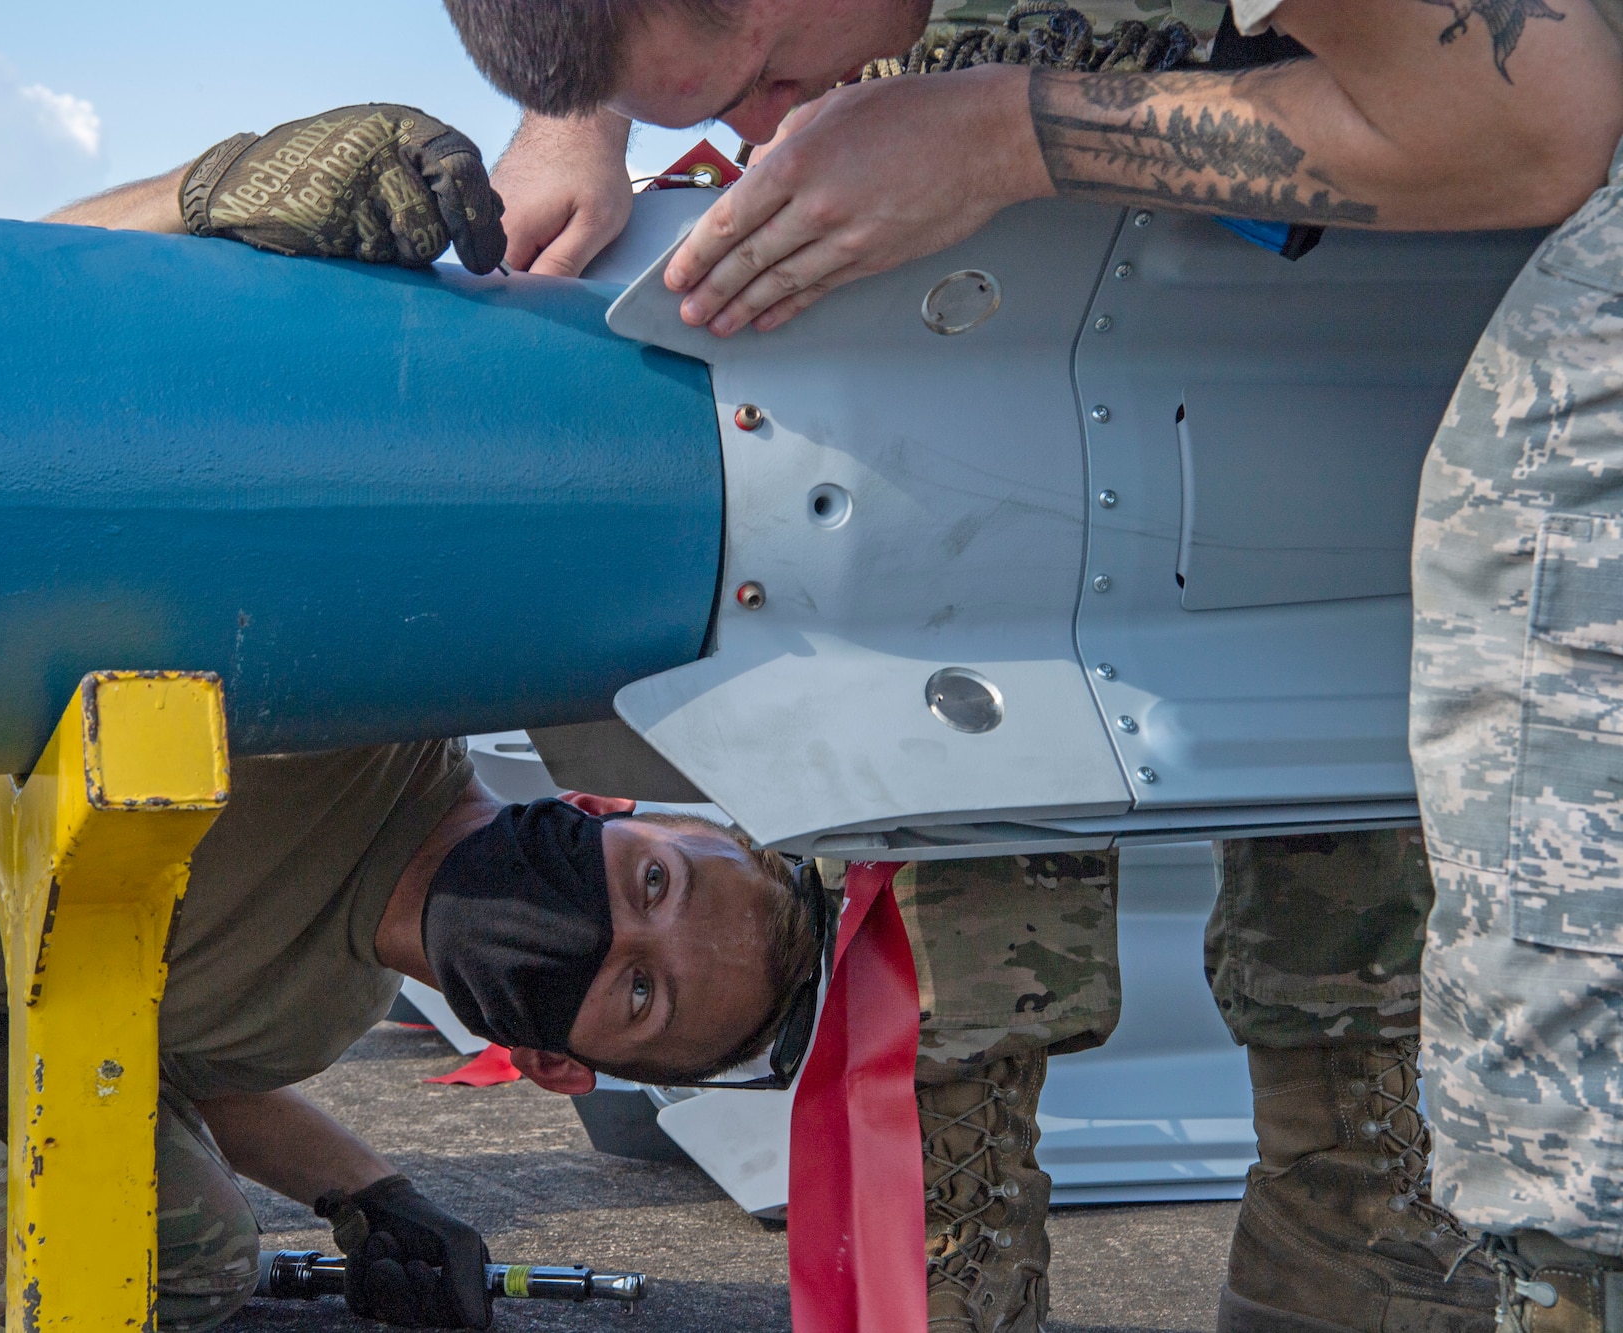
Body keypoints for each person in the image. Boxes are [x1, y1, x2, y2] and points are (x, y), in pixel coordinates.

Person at [437, 3, 1623, 1332]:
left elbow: (1529, 123)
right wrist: (570, 123)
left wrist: (1000, 135)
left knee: (1362, 1000)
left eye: (765, 77)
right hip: (925, 363)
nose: (764, 129)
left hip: (1344, 303)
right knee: (940, 1044)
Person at [0, 106, 825, 1333]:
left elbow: (169, 1055)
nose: (612, 923)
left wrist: (369, 1191)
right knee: (0, 1283)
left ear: (558, 1066)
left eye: (635, 994)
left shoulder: (316, 1014)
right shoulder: (363, 694)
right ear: (611, 813)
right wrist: (207, 197)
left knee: (187, 1262)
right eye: (656, 885)